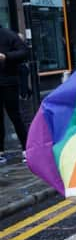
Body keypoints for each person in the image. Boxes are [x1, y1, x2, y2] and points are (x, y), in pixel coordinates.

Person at [0, 27, 28, 164]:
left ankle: (26, 149)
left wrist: (6, 56)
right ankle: (0, 152)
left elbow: (24, 52)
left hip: (8, 82)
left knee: (15, 115)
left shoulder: (8, 35)